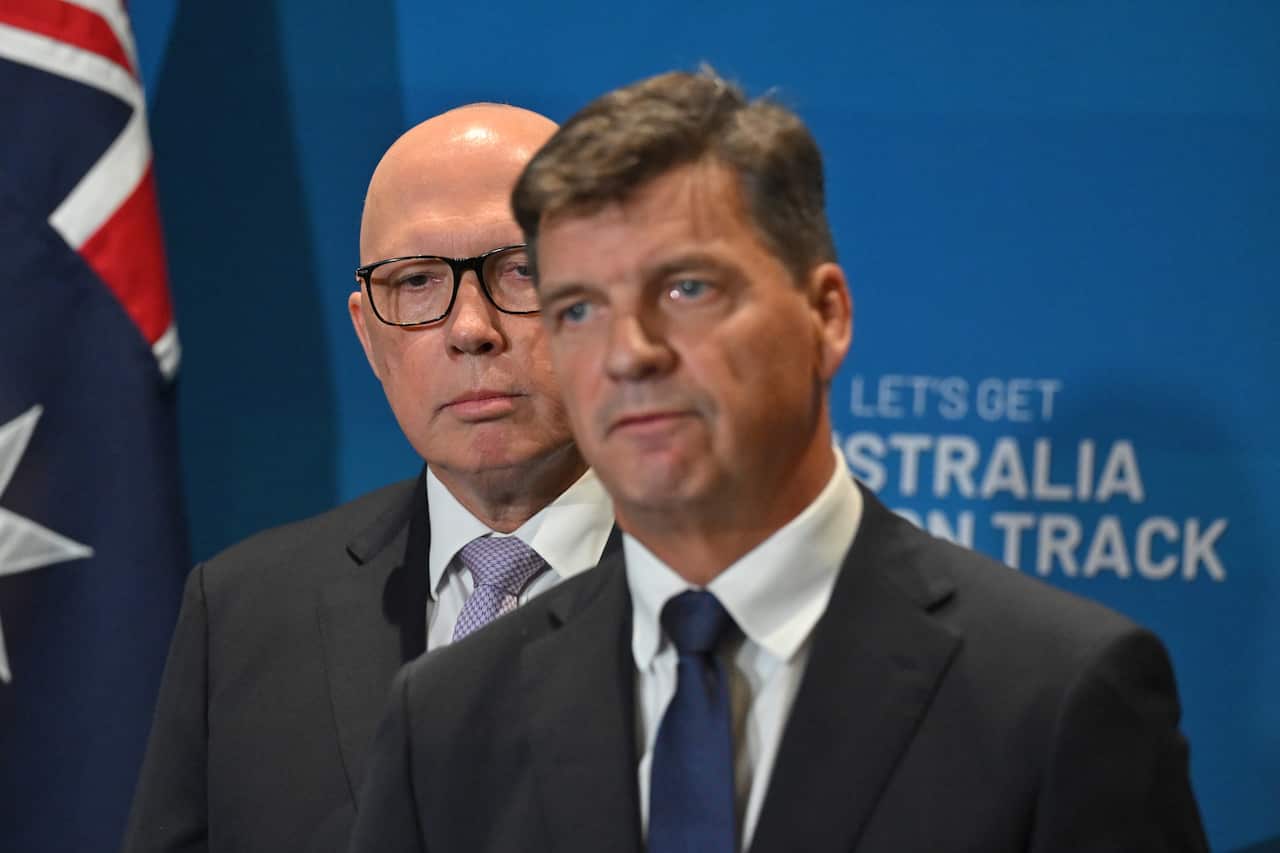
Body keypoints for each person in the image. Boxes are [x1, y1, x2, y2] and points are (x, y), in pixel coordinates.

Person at [348, 70, 1210, 853]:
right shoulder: (449, 716)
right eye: (577, 308)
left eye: (687, 288)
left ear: (825, 316)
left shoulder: (1056, 695)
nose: (629, 353)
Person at [123, 104, 616, 853]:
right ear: (368, 333)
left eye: (522, 268)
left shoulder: (725, 597)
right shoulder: (240, 615)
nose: (470, 327)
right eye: (416, 281)